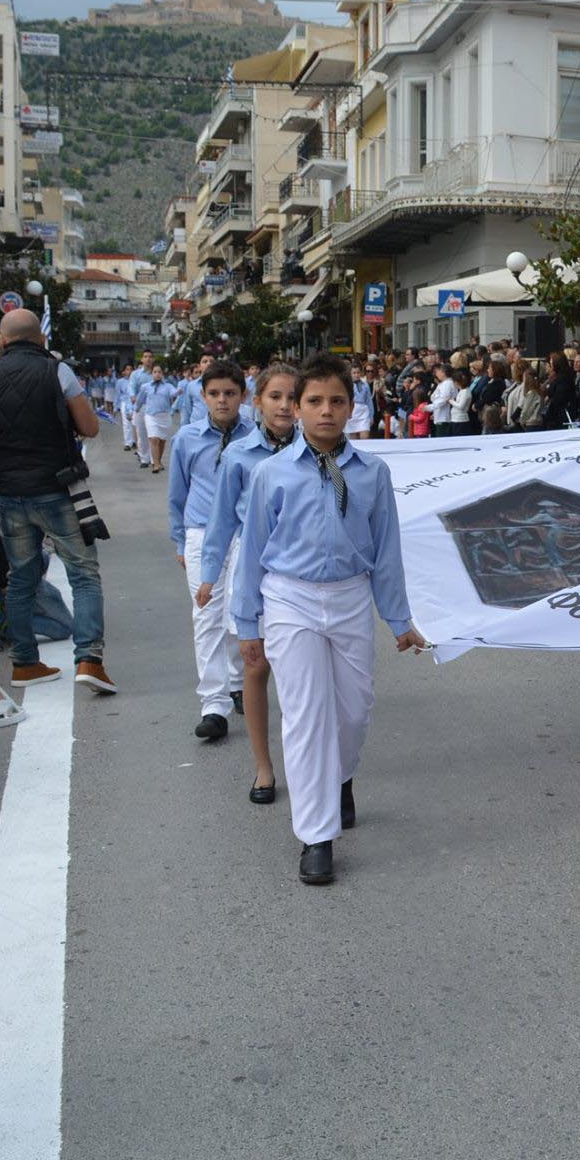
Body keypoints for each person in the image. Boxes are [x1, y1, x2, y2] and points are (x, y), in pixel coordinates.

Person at [233, 354, 426, 886]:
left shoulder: (372, 473)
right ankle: (316, 836)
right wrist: (247, 623)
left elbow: (386, 550)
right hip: (289, 597)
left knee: (354, 710)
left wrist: (399, 618)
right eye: (314, 401)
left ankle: (340, 777)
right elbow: (251, 551)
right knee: (305, 714)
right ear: (296, 408)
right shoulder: (271, 473)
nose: (326, 411)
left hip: (349, 597)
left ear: (351, 407)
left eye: (336, 401)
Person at [0, 309, 111, 692]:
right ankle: (90, 660)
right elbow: (90, 426)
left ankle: (25, 663)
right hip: (56, 487)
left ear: (2, 340)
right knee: (83, 573)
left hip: (8, 492)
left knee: (20, 578)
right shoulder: (57, 371)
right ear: (41, 339)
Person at [198, 362, 300, 802]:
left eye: (292, 397)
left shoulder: (319, 450)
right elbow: (221, 520)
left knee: (298, 671)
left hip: (299, 568)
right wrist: (208, 576)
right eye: (275, 396)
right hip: (252, 565)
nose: (284, 406)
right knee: (256, 666)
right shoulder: (239, 455)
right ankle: (264, 767)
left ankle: (307, 764)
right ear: (256, 402)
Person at [169, 360, 253, 743]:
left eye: (230, 393)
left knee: (238, 612)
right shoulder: (187, 438)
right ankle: (213, 705)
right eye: (214, 394)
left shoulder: (255, 436)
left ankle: (237, 682)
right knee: (206, 615)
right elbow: (177, 493)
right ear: (202, 396)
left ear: (243, 396)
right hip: (201, 534)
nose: (222, 400)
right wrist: (180, 540)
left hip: (243, 534)